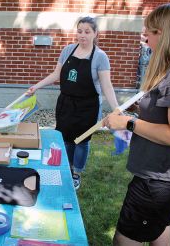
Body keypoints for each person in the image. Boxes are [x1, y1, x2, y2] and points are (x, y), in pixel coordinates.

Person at [103, 3, 170, 245]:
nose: (146, 40)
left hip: (162, 180)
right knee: (160, 232)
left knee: (124, 240)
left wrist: (128, 123)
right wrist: (139, 109)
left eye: (148, 34)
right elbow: (169, 111)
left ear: (163, 32)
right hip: (164, 177)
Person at [27, 17, 118, 190]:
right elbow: (56, 75)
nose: (82, 35)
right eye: (79, 31)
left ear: (95, 33)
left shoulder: (100, 57)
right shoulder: (68, 50)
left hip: (87, 107)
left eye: (87, 32)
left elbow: (107, 86)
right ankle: (67, 168)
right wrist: (36, 86)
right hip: (66, 103)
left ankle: (76, 172)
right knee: (65, 138)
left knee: (82, 141)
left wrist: (116, 109)